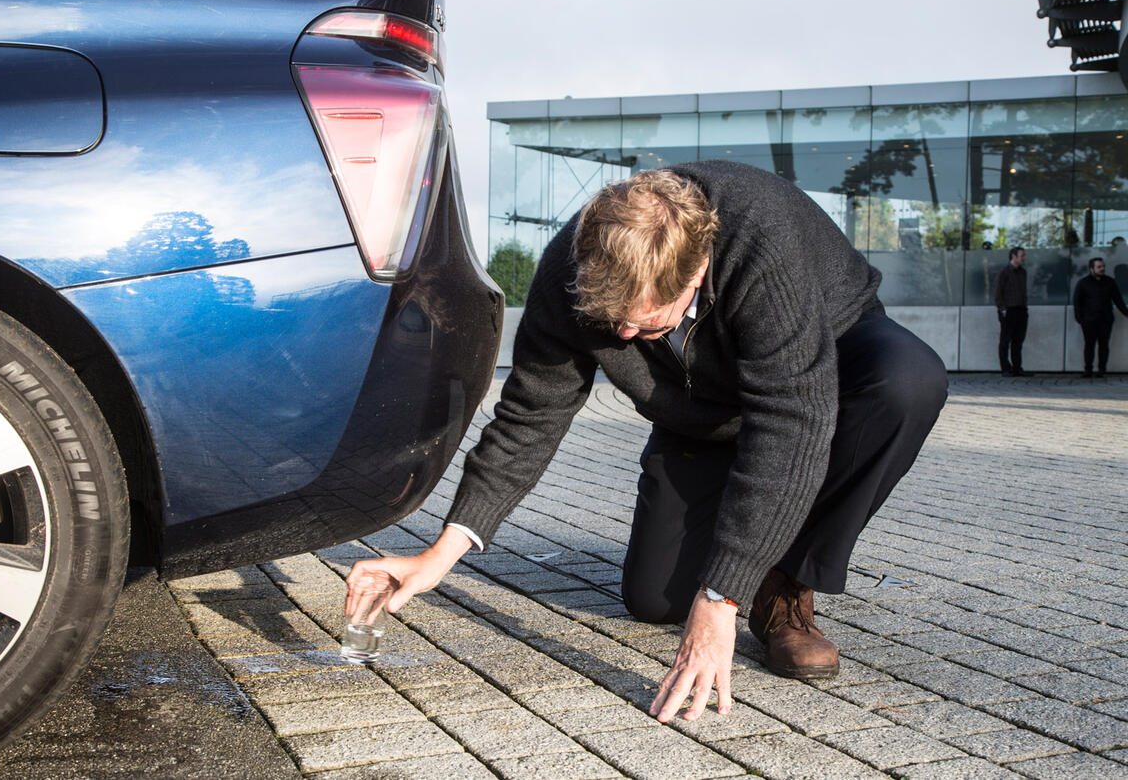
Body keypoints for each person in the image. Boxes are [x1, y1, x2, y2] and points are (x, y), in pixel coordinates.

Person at [347, 162, 947, 724]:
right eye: (617, 325)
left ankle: (786, 581)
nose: (629, 335)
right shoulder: (572, 270)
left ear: (697, 272)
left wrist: (720, 601)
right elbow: (532, 412)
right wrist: (440, 554)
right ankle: (746, 552)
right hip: (703, 414)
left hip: (829, 369)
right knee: (655, 600)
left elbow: (791, 425)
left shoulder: (763, 242)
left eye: (649, 323)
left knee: (908, 383)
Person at [1073, 257, 1128, 377]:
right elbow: (1077, 301)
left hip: (1105, 319)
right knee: (1089, 345)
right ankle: (1088, 370)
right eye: (1099, 267)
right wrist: (1079, 318)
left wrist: (1126, 313)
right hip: (1089, 320)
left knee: (1104, 345)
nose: (1102, 269)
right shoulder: (1083, 283)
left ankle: (1101, 370)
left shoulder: (1110, 282)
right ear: (1091, 268)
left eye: (1103, 266)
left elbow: (1118, 300)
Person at [994, 246, 1031, 377]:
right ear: (1013, 257)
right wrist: (1002, 309)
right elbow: (998, 293)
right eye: (1022, 256)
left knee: (1018, 341)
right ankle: (1005, 368)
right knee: (1005, 340)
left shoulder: (1023, 272)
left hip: (1021, 309)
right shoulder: (1004, 272)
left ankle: (1017, 367)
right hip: (1008, 310)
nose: (1024, 258)